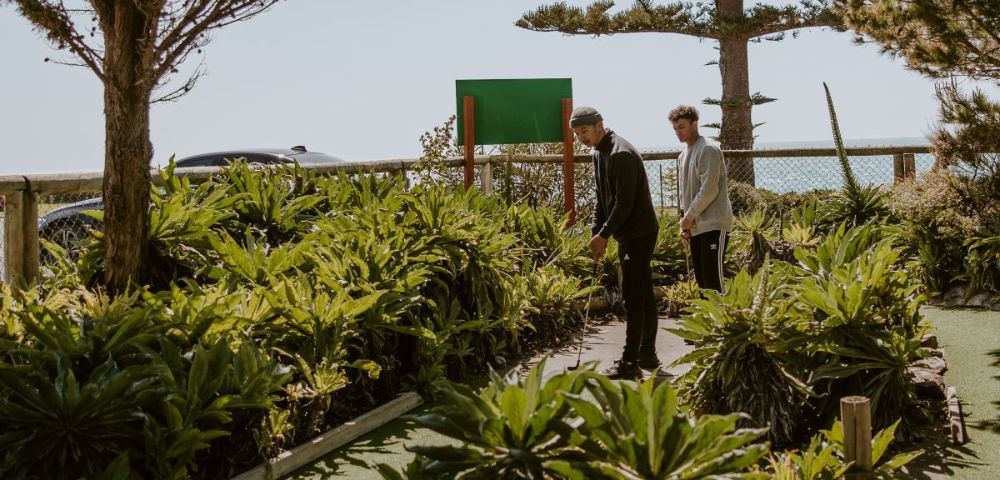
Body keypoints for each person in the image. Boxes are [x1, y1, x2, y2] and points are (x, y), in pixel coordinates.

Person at [570, 106, 660, 380]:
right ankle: (647, 354)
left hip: (639, 232)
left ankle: (629, 363)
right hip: (626, 231)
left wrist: (605, 234)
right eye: (577, 133)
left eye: (584, 131)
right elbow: (602, 197)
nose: (581, 138)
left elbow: (624, 203)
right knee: (642, 292)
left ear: (599, 125)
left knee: (633, 297)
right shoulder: (598, 153)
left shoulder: (620, 154)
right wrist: (596, 232)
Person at [670, 105, 734, 292]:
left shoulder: (708, 150)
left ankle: (725, 321)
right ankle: (709, 321)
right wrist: (686, 224)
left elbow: (709, 190)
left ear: (694, 124)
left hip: (714, 224)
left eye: (681, 127)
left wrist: (688, 217)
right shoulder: (683, 156)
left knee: (714, 282)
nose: (678, 132)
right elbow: (686, 193)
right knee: (702, 283)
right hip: (696, 226)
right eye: (675, 129)